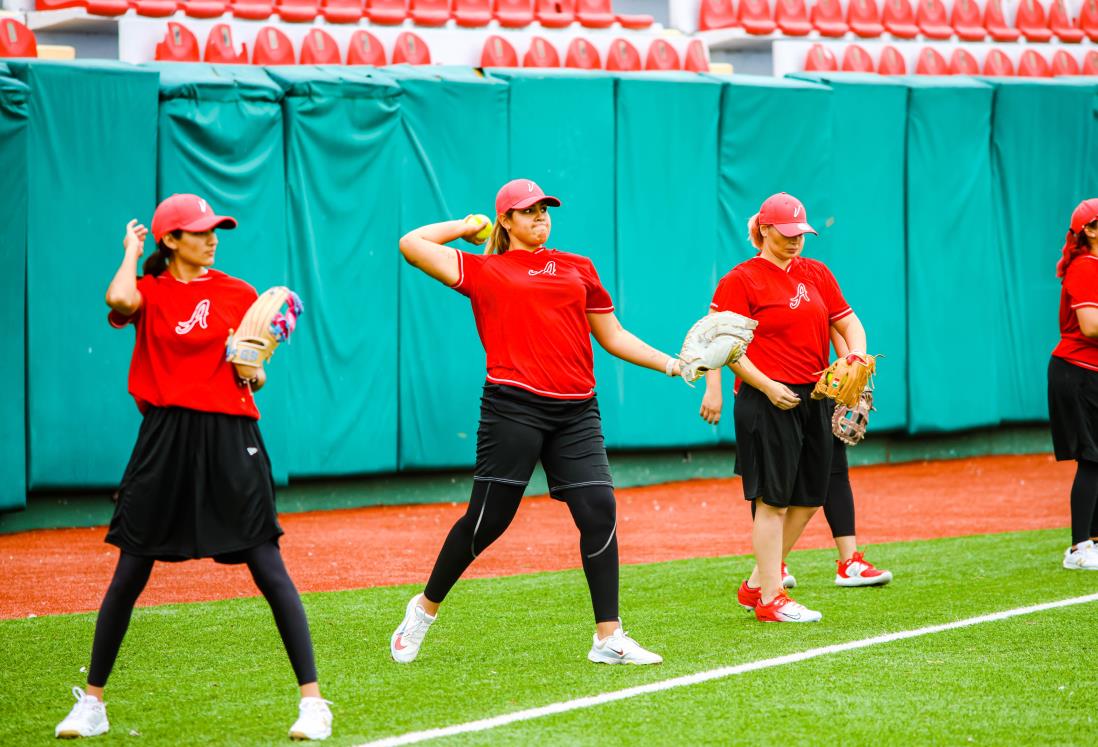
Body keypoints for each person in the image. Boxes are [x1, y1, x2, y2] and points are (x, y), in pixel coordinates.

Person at [54, 194, 332, 741]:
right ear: (170, 240)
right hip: (164, 439)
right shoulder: (149, 292)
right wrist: (132, 253)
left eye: (216, 229)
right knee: (131, 570)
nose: (213, 237)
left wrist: (252, 364)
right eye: (200, 230)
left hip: (232, 436)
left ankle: (313, 704)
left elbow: (254, 377)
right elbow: (117, 298)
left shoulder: (238, 293)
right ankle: (93, 704)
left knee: (266, 565)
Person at [390, 178, 688, 665]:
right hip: (514, 406)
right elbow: (411, 245)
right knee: (488, 522)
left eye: (545, 209)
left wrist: (671, 364)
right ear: (505, 220)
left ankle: (608, 636)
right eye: (528, 211)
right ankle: (423, 610)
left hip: (577, 410)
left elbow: (611, 335)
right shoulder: (486, 269)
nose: (541, 217)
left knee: (599, 510)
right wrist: (466, 226)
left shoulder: (577, 267)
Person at [701, 192, 867, 623]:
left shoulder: (816, 273)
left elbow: (847, 323)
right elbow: (726, 348)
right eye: (787, 233)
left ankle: (758, 582)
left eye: (801, 233)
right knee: (772, 501)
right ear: (766, 230)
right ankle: (771, 598)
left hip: (813, 395)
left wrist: (855, 357)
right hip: (765, 397)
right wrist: (766, 385)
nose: (796, 240)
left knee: (810, 496)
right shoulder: (742, 279)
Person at [1048, 197, 1098, 571]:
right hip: (1077, 372)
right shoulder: (1085, 266)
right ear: (1090, 231)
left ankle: (1092, 541)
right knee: (1092, 458)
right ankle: (1080, 547)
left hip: (1087, 372)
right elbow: (1091, 326)